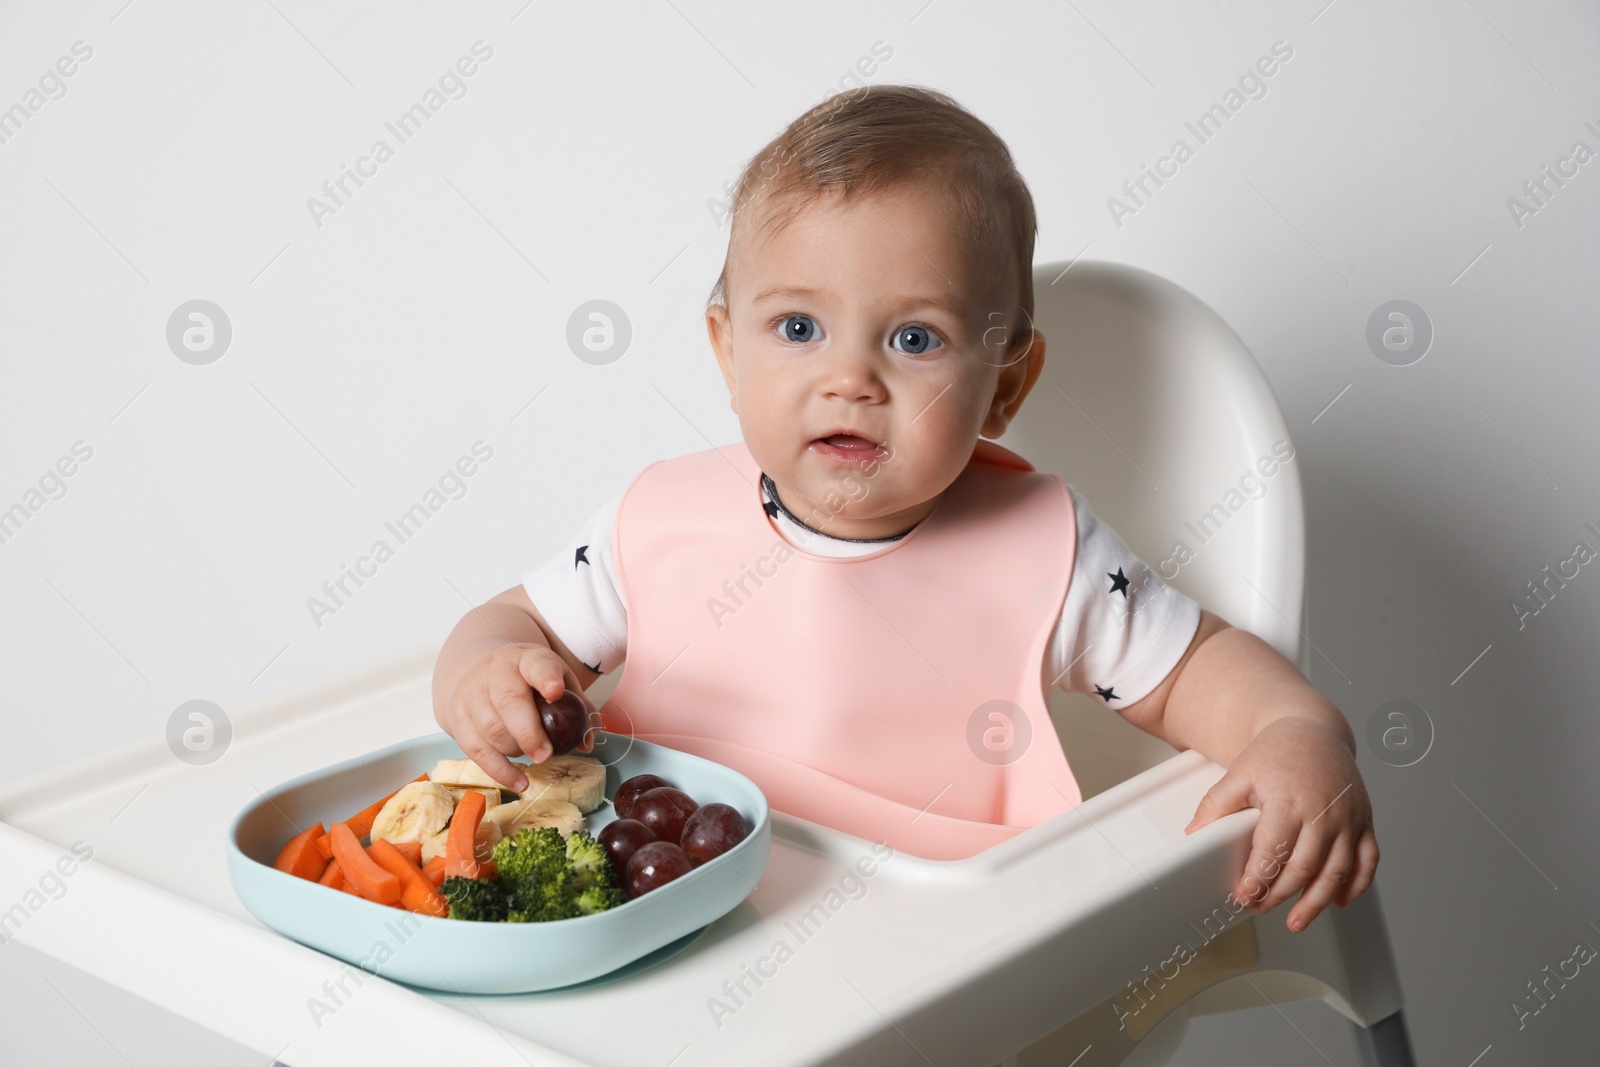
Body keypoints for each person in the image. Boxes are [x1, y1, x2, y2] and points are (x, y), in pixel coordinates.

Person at [432, 84, 1376, 933]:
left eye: (915, 337)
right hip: (665, 912)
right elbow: (520, 624)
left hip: (944, 952)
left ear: (1006, 385)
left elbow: (1196, 667)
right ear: (728, 352)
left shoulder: (1048, 553)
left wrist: (1295, 731)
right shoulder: (657, 523)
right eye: (798, 327)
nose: (850, 379)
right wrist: (487, 668)